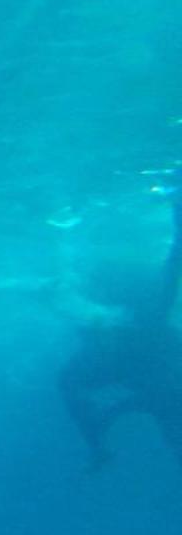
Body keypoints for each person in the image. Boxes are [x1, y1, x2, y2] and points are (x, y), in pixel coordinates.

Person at [58, 184, 182, 476]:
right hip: (152, 383)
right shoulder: (100, 346)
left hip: (160, 377)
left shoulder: (146, 321)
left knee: (167, 410)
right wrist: (97, 443)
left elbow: (173, 267)